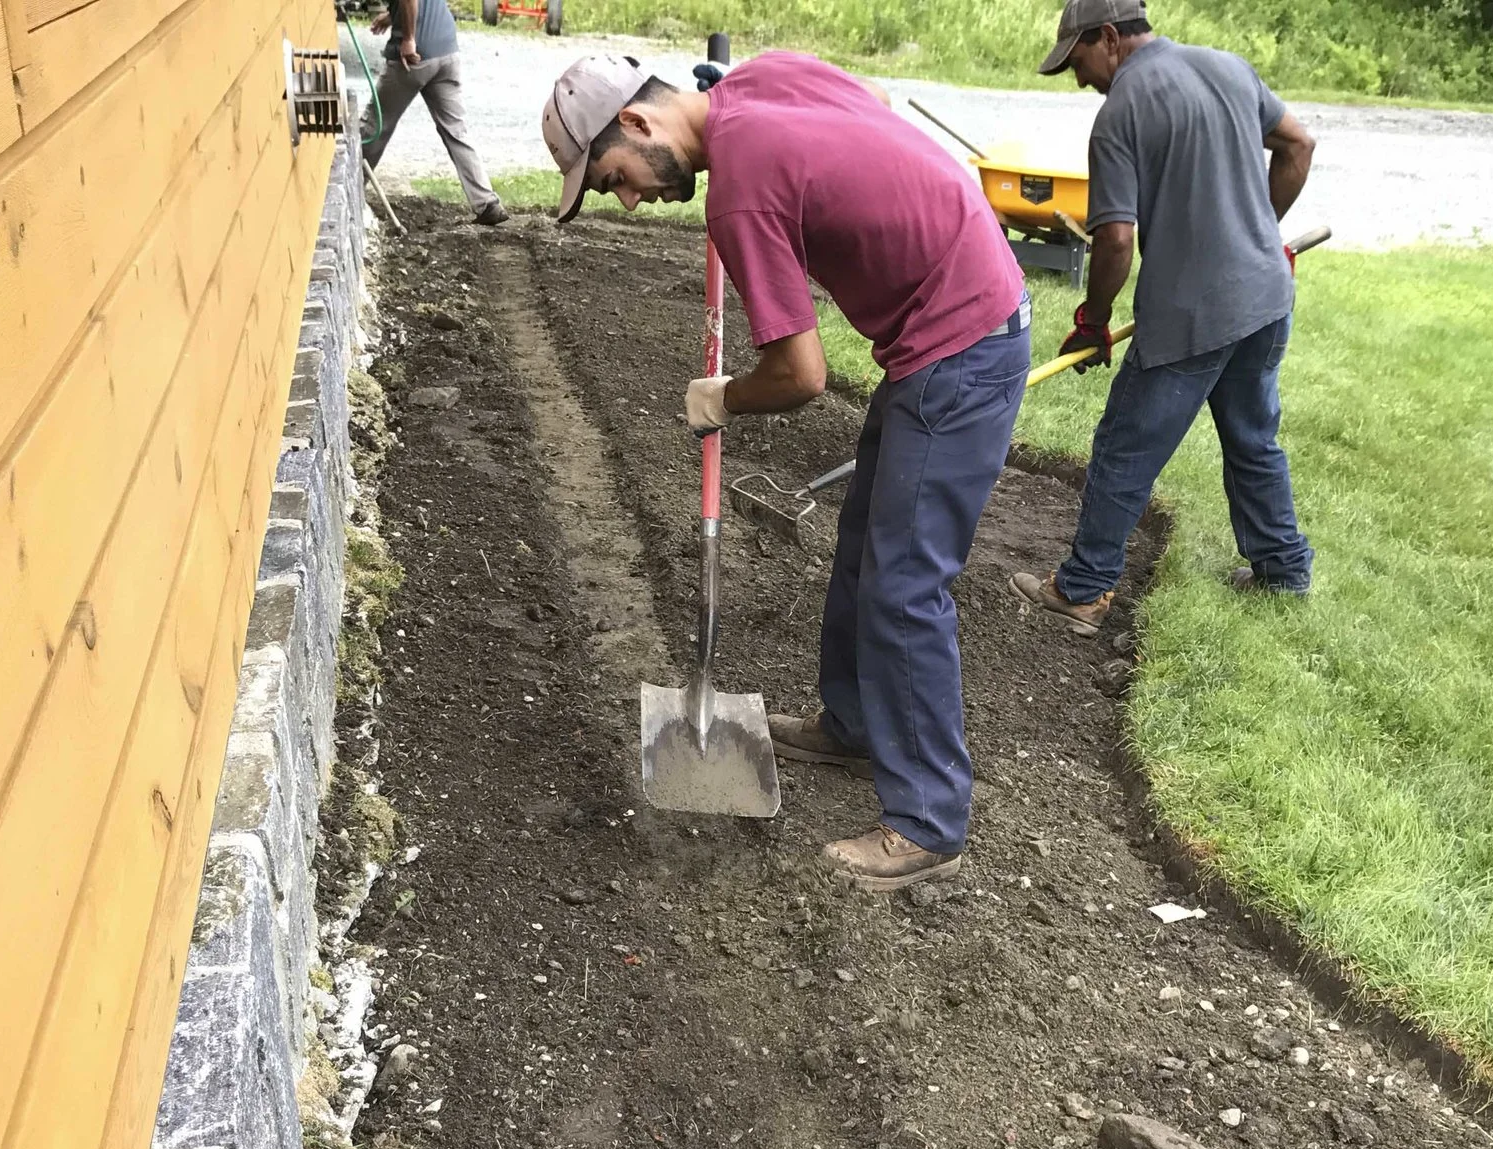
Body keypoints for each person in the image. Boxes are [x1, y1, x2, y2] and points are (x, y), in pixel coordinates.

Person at [541, 52, 1029, 892]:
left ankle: (928, 821)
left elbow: (800, 375)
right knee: (864, 546)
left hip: (964, 342)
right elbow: (872, 100)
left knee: (905, 581)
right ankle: (853, 723)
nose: (627, 197)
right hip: (943, 322)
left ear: (635, 122)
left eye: (613, 177)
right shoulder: (755, 82)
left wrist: (722, 399)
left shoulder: (741, 190)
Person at [1011, 0, 1317, 633]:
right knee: (1253, 439)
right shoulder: (1227, 67)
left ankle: (1084, 589)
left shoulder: (1122, 111)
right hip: (1264, 298)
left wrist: (1093, 321)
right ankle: (1283, 573)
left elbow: (1116, 241)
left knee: (1125, 450)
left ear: (1107, 36)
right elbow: (1298, 143)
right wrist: (1259, 231)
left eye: (1078, 60)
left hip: (1190, 317)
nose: (1079, 78)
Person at [361, 0, 507, 227]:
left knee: (376, 125)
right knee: (456, 130)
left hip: (415, 56)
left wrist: (408, 39)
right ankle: (487, 202)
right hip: (447, 50)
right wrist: (392, 16)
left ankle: (348, 184)